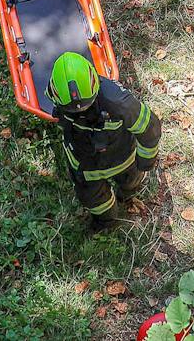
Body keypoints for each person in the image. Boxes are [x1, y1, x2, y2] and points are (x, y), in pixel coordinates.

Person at [48, 51, 161, 229]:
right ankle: (106, 222)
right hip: (85, 167)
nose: (81, 111)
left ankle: (127, 197)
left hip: (123, 160)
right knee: (96, 203)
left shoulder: (118, 101)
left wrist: (146, 161)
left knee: (131, 183)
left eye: (87, 104)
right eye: (72, 109)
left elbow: (150, 127)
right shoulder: (56, 94)